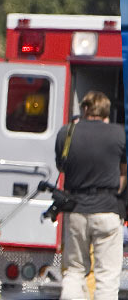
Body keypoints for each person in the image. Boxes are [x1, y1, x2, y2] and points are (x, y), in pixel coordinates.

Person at [54, 91, 126, 299]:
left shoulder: (67, 133)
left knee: (75, 270)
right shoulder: (120, 134)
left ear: (84, 109)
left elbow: (61, 166)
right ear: (106, 111)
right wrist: (116, 190)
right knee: (107, 276)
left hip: (76, 210)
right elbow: (124, 171)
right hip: (107, 210)